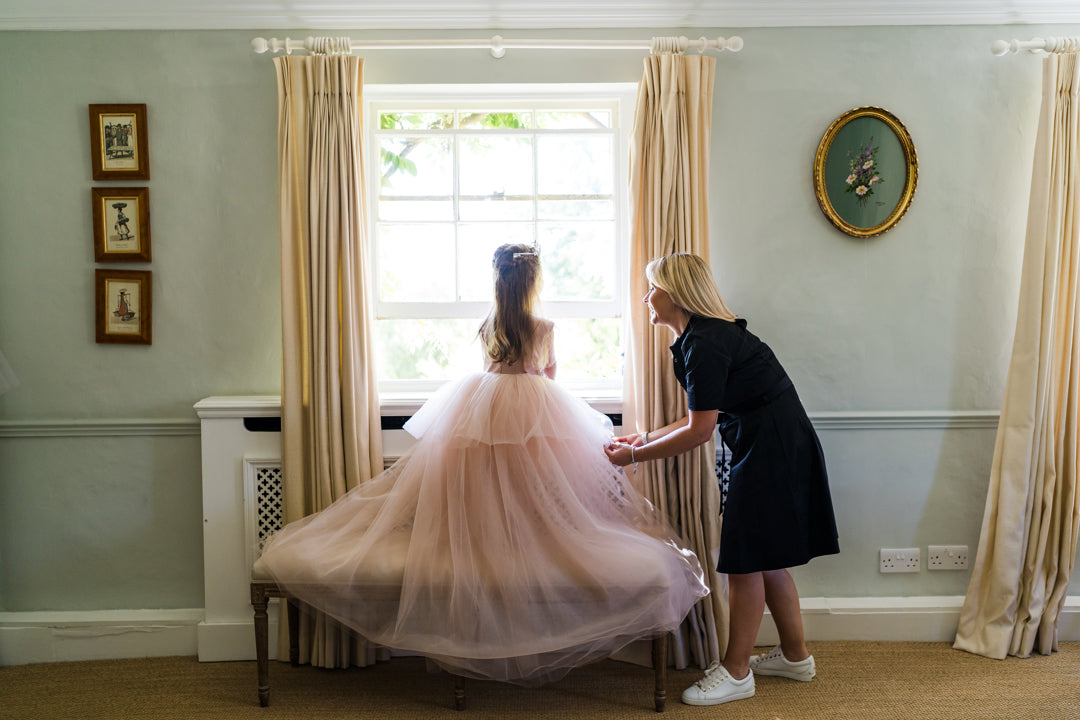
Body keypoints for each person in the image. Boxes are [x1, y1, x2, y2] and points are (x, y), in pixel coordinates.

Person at [254, 243, 709, 686]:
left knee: (482, 480)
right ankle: (531, 544)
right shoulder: (544, 327)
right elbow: (549, 375)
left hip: (482, 403)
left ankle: (489, 541)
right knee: (538, 484)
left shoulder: (487, 325)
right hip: (534, 408)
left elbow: (495, 372)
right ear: (534, 283)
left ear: (498, 282)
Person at [605, 252, 838, 707]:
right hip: (775, 441)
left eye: (653, 288)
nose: (647, 297)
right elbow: (700, 415)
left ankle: (737, 673)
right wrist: (646, 436)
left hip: (769, 446)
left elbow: (699, 430)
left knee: (746, 560)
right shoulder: (705, 336)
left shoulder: (706, 342)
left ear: (675, 294)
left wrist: (635, 453)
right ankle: (795, 657)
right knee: (768, 558)